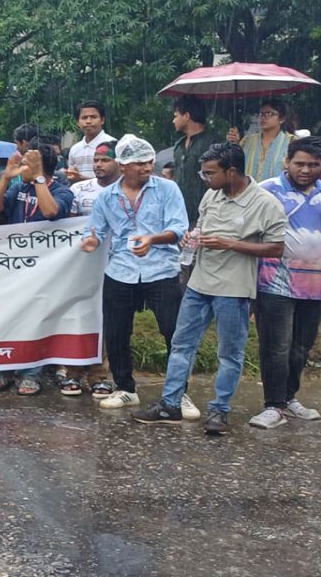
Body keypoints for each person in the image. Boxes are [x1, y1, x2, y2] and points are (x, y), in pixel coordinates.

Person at [133, 142, 287, 436]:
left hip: (234, 288)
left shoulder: (265, 203)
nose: (205, 179)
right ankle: (170, 404)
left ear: (232, 171)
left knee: (229, 353)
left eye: (209, 173)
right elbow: (202, 228)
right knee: (181, 345)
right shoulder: (211, 195)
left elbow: (277, 248)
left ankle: (219, 411)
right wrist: (191, 238)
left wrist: (230, 244)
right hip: (199, 283)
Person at [80, 135, 188, 409]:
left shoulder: (167, 189)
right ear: (123, 165)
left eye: (149, 161)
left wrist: (153, 239)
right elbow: (95, 231)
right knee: (116, 331)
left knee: (173, 331)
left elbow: (178, 229)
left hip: (161, 268)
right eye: (139, 163)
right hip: (121, 269)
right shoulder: (106, 196)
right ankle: (125, 388)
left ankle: (179, 392)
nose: (146, 167)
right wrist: (91, 241)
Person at [0, 142, 75, 395]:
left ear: (40, 167)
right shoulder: (18, 187)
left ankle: (31, 373)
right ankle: (4, 369)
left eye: (26, 163)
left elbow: (50, 211)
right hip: (13, 266)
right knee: (8, 317)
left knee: (35, 320)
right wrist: (6, 177)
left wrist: (37, 178)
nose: (21, 167)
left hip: (46, 268)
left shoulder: (63, 191)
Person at [250, 136, 321, 428]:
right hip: (275, 283)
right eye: (300, 163)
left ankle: (289, 398)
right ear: (287, 162)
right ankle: (273, 405)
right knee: (275, 346)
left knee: (300, 347)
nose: (306, 170)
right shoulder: (267, 191)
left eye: (314, 165)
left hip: (316, 287)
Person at [171, 96, 221, 226]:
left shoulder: (213, 143)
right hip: (179, 213)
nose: (173, 120)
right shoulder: (179, 145)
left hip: (207, 213)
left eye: (176, 116)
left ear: (187, 116)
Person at [228, 98, 296, 182]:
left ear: (281, 119)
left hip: (278, 192)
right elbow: (235, 164)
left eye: (269, 114)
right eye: (261, 114)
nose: (263, 117)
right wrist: (233, 144)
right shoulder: (248, 140)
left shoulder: (292, 142)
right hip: (249, 191)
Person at [65, 100, 115, 184]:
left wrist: (82, 179)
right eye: (84, 118)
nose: (88, 121)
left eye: (93, 117)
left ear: (102, 120)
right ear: (78, 122)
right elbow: (72, 176)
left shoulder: (112, 144)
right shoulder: (75, 149)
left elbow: (115, 178)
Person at [70, 141, 120, 217]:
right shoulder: (77, 189)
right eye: (95, 160)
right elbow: (69, 224)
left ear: (119, 163)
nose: (98, 165)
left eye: (105, 160)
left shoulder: (131, 191)